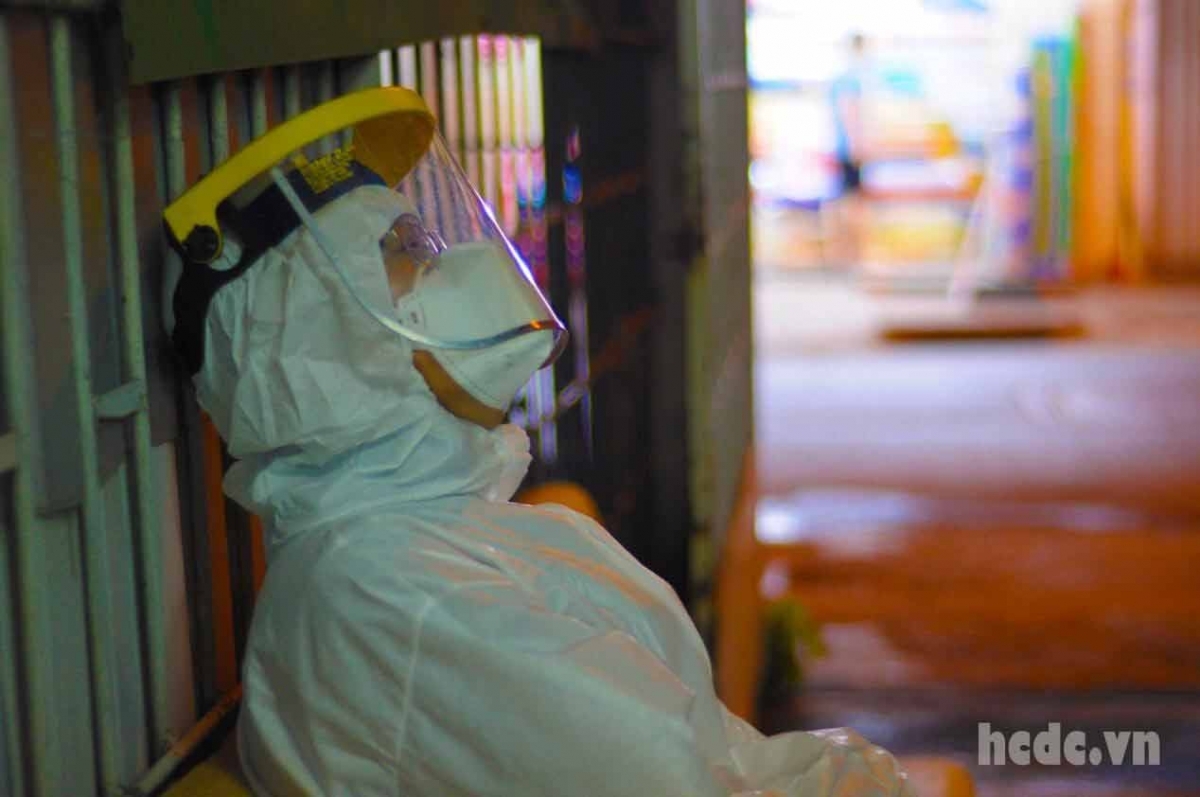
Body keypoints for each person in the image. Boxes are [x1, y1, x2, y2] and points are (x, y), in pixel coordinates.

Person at [165, 87, 914, 796]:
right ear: (327, 342)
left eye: (429, 241)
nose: (458, 264)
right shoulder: (391, 593)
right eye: (409, 254)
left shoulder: (417, 537)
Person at [829, 32, 869, 264]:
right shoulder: (850, 79)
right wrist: (857, 145)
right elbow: (849, 112)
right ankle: (850, 253)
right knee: (852, 202)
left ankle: (844, 252)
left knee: (845, 199)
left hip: (842, 148)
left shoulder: (843, 77)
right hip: (848, 150)